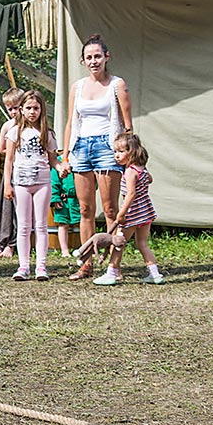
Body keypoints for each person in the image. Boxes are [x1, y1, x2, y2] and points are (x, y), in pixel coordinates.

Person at [61, 33, 133, 281]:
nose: (93, 61)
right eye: (89, 57)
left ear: (106, 57)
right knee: (84, 208)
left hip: (107, 146)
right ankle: (86, 263)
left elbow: (127, 124)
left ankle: (114, 266)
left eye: (97, 56)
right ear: (83, 61)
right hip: (81, 146)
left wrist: (126, 153)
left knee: (111, 209)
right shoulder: (78, 87)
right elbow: (72, 121)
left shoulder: (117, 85)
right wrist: (66, 154)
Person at [3, 90, 62, 281]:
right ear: (21, 110)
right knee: (24, 226)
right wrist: (7, 185)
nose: (32, 112)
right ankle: (23, 266)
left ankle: (41, 267)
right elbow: (9, 160)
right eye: (28, 108)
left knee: (41, 225)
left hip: (42, 182)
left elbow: (53, 159)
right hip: (21, 183)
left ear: (41, 110)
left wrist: (60, 168)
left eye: (36, 108)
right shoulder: (14, 132)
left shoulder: (47, 133)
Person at [93, 132, 164, 285]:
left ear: (131, 152)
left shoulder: (130, 171)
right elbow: (149, 180)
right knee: (142, 244)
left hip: (132, 213)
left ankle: (111, 273)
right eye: (115, 152)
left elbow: (131, 194)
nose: (117, 155)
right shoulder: (142, 169)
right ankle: (155, 274)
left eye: (121, 151)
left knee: (119, 242)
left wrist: (121, 213)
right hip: (145, 211)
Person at [0, 88, 23, 258]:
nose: (13, 112)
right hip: (11, 170)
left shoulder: (29, 125)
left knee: (19, 209)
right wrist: (11, 149)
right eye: (10, 109)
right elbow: (1, 148)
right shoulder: (7, 126)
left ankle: (13, 244)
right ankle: (2, 241)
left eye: (16, 108)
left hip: (25, 171)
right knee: (6, 206)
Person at [51, 150, 80, 258]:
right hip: (63, 200)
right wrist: (55, 198)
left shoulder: (80, 160)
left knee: (83, 222)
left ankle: (85, 248)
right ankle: (65, 250)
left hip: (78, 199)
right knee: (63, 224)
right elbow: (54, 181)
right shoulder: (59, 162)